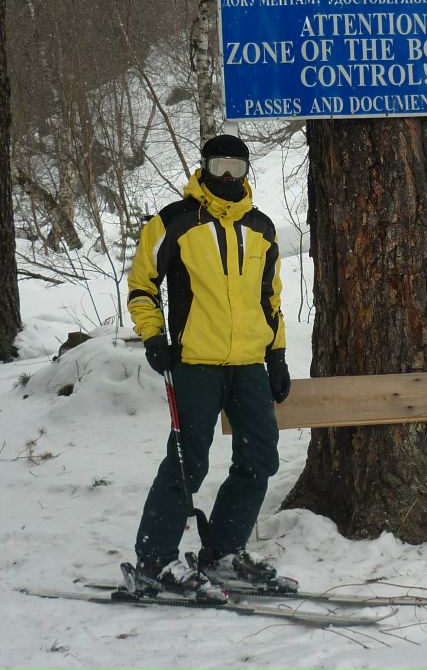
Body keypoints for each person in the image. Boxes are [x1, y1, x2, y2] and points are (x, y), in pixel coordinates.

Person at [126, 133, 291, 595]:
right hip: (194, 363)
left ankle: (222, 553)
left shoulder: (261, 227)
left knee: (259, 458)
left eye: (236, 168)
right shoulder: (175, 221)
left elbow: (270, 298)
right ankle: (154, 560)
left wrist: (276, 355)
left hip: (249, 364)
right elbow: (142, 285)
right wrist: (154, 338)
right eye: (219, 166)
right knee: (187, 464)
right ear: (204, 167)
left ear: (246, 172)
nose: (227, 176)